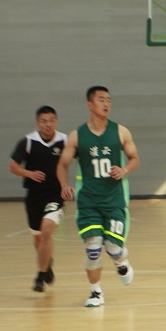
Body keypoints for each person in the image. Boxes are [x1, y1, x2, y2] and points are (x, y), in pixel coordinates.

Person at [57, 86, 140, 308]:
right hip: (89, 202)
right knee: (93, 248)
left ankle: (121, 259)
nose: (106, 104)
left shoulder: (121, 131)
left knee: (112, 247)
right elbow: (62, 165)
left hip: (113, 201)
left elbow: (134, 158)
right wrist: (64, 185)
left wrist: (124, 170)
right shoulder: (77, 135)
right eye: (101, 100)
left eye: (109, 100)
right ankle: (96, 292)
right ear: (90, 105)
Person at [9, 106, 67, 292]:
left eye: (51, 120)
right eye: (44, 120)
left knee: (47, 229)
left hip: (55, 195)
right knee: (39, 239)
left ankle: (40, 277)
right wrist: (29, 173)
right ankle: (47, 264)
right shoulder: (27, 142)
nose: (48, 124)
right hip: (34, 196)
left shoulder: (65, 141)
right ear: (37, 123)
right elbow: (13, 166)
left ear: (56, 121)